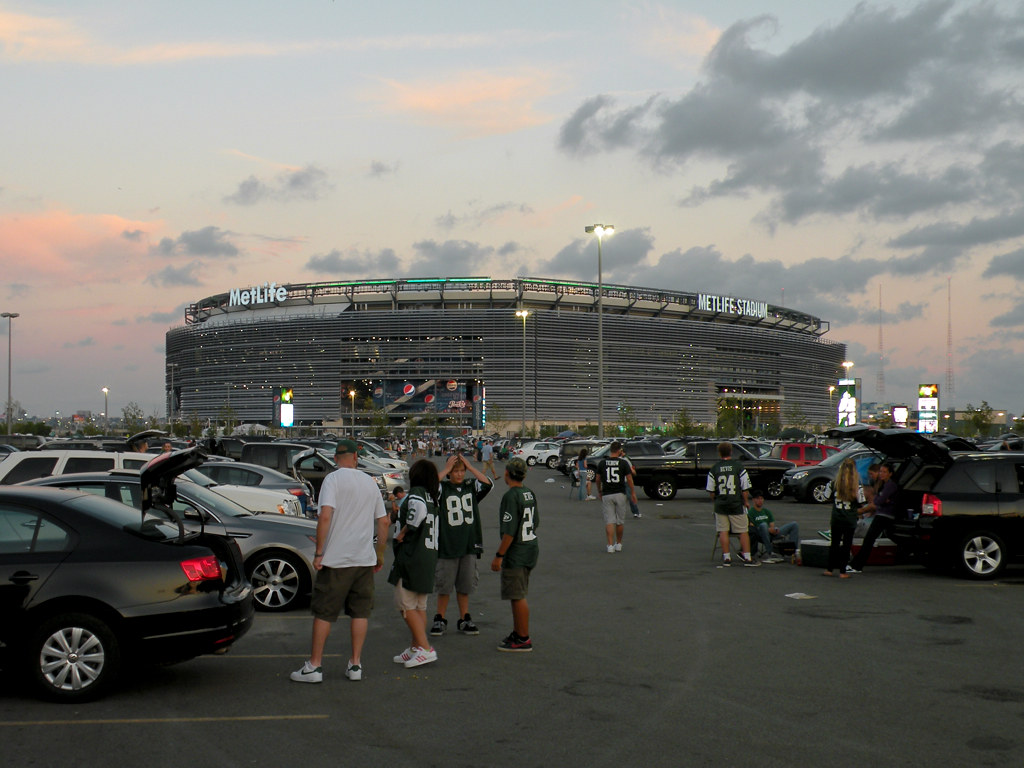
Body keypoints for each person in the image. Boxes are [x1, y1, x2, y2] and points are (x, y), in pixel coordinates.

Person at [291, 439, 389, 684]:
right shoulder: (370, 482)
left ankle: (314, 666)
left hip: (336, 559)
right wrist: (379, 554)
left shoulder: (332, 480)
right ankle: (355, 664)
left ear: (336, 458)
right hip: (363, 559)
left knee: (324, 612)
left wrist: (319, 552)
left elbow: (325, 516)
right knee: (360, 613)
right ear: (356, 457)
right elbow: (384, 522)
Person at [430, 454, 491, 636]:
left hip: (468, 543)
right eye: (456, 471)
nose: (459, 475)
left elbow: (487, 483)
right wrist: (446, 470)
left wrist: (471, 467)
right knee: (445, 585)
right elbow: (429, 487)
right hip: (448, 544)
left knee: (465, 585)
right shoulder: (442, 488)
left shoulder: (470, 486)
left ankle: (465, 618)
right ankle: (440, 618)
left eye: (461, 471)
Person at [388, 459, 441, 668]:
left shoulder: (417, 493)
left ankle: (426, 648)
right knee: (419, 604)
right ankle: (416, 646)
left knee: (405, 604)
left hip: (413, 554)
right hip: (428, 554)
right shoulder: (432, 495)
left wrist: (403, 532)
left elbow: (417, 512)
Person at [490, 457, 538, 652]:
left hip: (517, 551)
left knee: (517, 595)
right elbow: (535, 523)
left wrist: (499, 555)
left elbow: (510, 531)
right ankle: (518, 631)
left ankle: (523, 637)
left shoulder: (511, 496)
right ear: (525, 474)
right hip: (530, 547)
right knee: (517, 593)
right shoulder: (529, 493)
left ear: (507, 474)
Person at [707, 441, 759, 567]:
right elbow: (745, 488)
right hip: (736, 504)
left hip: (721, 504)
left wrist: (717, 500)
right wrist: (745, 501)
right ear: (731, 451)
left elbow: (711, 490)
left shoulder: (714, 468)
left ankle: (726, 557)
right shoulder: (738, 467)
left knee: (723, 530)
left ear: (719, 453)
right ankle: (747, 557)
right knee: (743, 531)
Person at [847, 462, 898, 573]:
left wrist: (881, 500)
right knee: (869, 539)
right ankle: (856, 564)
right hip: (882, 513)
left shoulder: (890, 485)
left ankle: (857, 565)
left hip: (885, 515)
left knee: (869, 539)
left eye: (884, 472)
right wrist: (882, 500)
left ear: (890, 473)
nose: (881, 474)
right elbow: (879, 500)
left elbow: (879, 500)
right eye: (881, 471)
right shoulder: (883, 485)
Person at [824, 458, 864, 578]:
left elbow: (826, 497)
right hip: (849, 519)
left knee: (834, 544)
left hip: (836, 518)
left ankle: (829, 569)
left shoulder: (833, 484)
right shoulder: (857, 486)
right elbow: (861, 502)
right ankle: (842, 571)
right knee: (846, 545)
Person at [597, 441, 638, 553]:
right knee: (620, 521)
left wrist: (599, 490)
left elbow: (598, 478)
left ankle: (610, 545)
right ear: (619, 450)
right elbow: (629, 479)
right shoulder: (623, 463)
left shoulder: (602, 463)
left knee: (609, 520)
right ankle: (618, 543)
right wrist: (633, 493)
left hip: (607, 493)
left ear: (610, 450)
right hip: (620, 493)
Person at [746, 489, 799, 563]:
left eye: (761, 498)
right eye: (758, 498)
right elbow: (752, 528)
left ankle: (793, 552)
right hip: (760, 534)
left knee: (794, 524)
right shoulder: (751, 512)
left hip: (770, 533)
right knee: (763, 525)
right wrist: (767, 529)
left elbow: (772, 525)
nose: (760, 500)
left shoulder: (766, 511)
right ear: (753, 500)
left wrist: (774, 530)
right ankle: (770, 553)